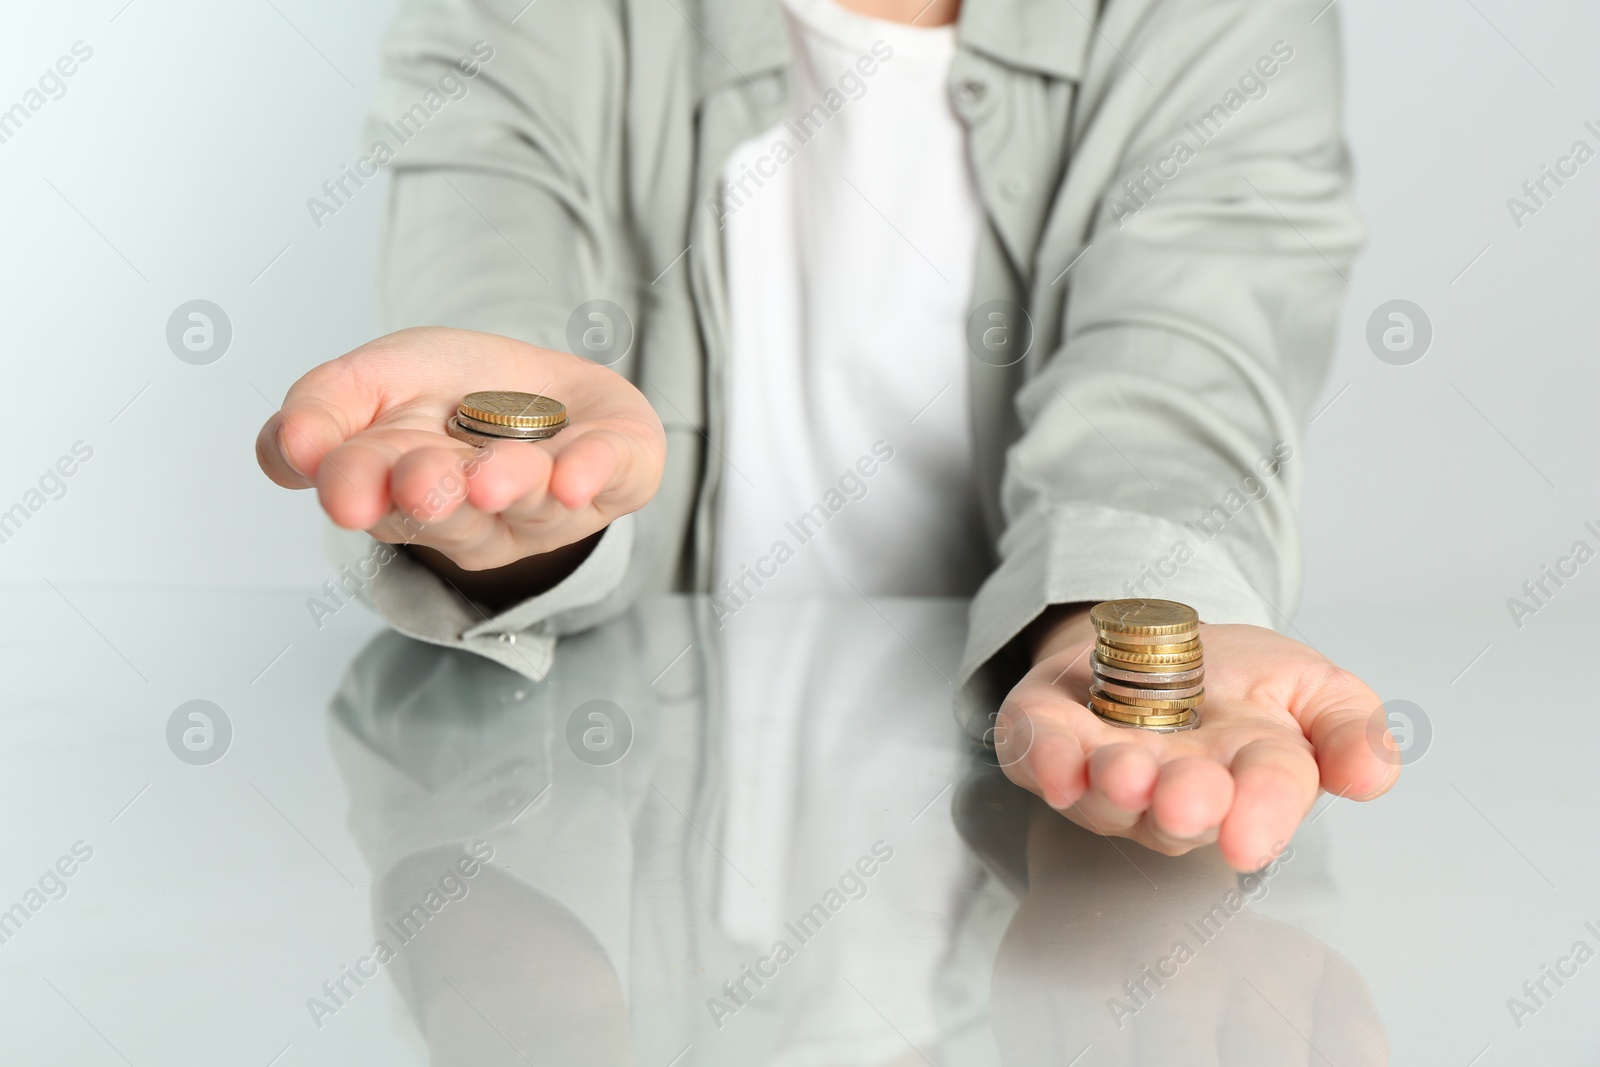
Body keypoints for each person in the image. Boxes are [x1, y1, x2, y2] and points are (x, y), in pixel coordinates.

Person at [256, 0, 1398, 872]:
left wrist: (1111, 619)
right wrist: (517, 510)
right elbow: (489, 279)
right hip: (607, 810)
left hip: (1004, 850)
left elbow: (1187, 368)